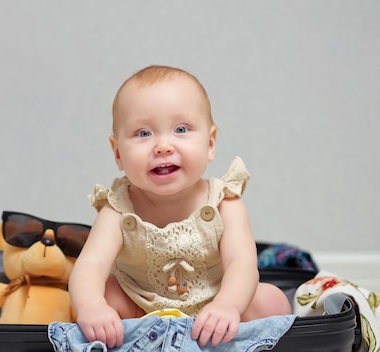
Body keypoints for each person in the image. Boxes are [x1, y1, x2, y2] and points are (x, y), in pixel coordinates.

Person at [68, 65, 291, 348]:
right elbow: (90, 264)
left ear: (210, 144)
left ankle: (226, 330)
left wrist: (228, 305)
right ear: (118, 154)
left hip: (214, 305)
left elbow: (241, 263)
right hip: (140, 308)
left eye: (181, 129)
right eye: (143, 133)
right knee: (107, 295)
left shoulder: (225, 203)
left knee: (271, 300)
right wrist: (91, 307)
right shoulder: (117, 209)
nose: (162, 146)